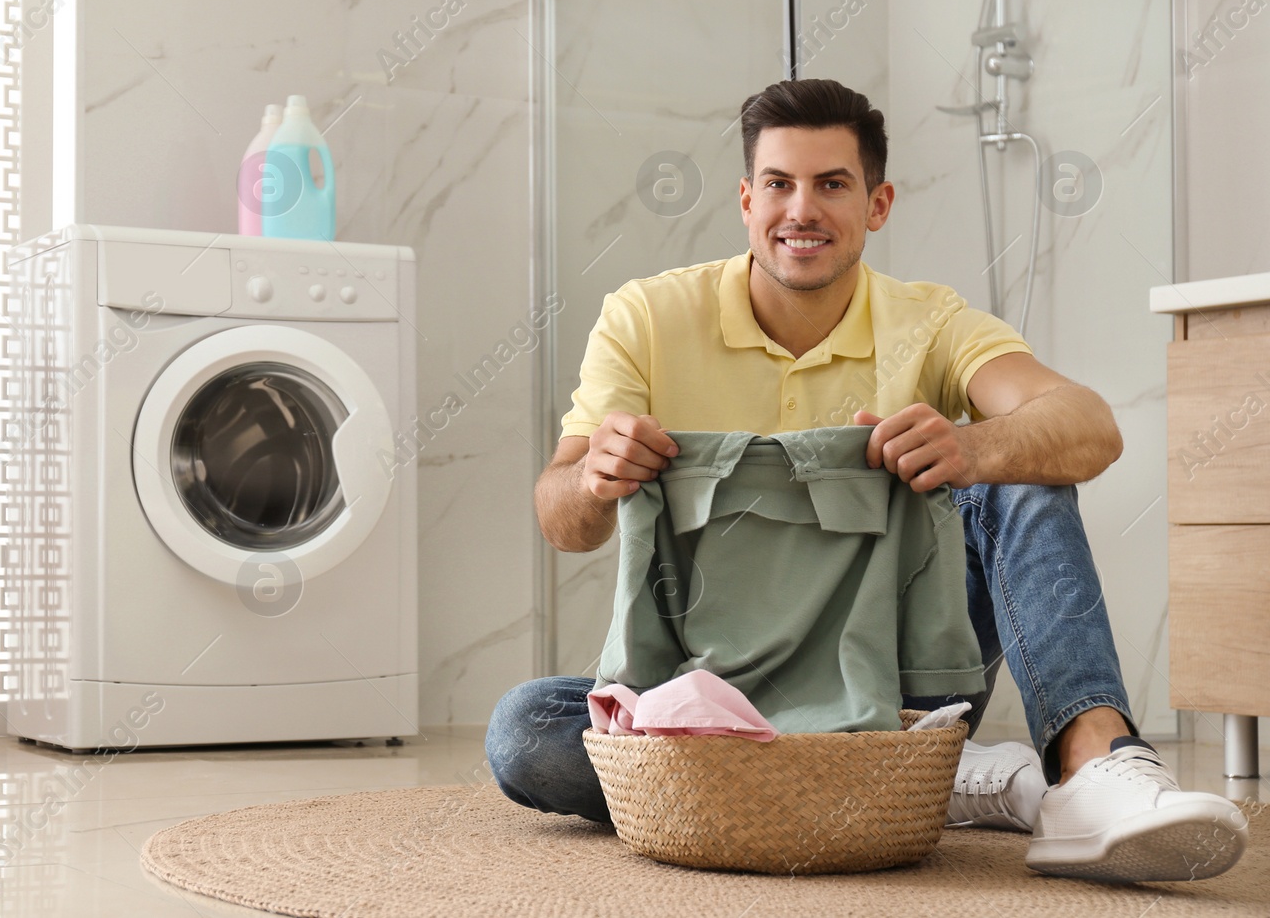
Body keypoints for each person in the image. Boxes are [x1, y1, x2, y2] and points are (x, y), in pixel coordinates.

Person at [487, 79, 1249, 882]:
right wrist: (594, 478)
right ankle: (923, 778)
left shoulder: (932, 320)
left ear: (878, 204)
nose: (801, 210)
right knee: (524, 730)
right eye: (779, 184)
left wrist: (969, 448)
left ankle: (1093, 764)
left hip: (892, 673)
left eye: (832, 185)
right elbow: (561, 519)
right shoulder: (644, 316)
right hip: (716, 688)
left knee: (1021, 468)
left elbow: (1091, 427)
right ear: (747, 201)